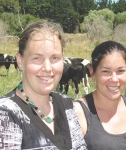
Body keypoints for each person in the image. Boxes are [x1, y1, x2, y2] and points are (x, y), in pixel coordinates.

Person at [0, 21, 87, 150]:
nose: (47, 68)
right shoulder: (6, 113)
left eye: (55, 58)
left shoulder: (66, 104)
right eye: (37, 58)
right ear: (20, 61)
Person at [74, 40, 126, 150]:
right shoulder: (76, 113)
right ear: (92, 73)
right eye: (106, 71)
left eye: (120, 71)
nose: (114, 79)